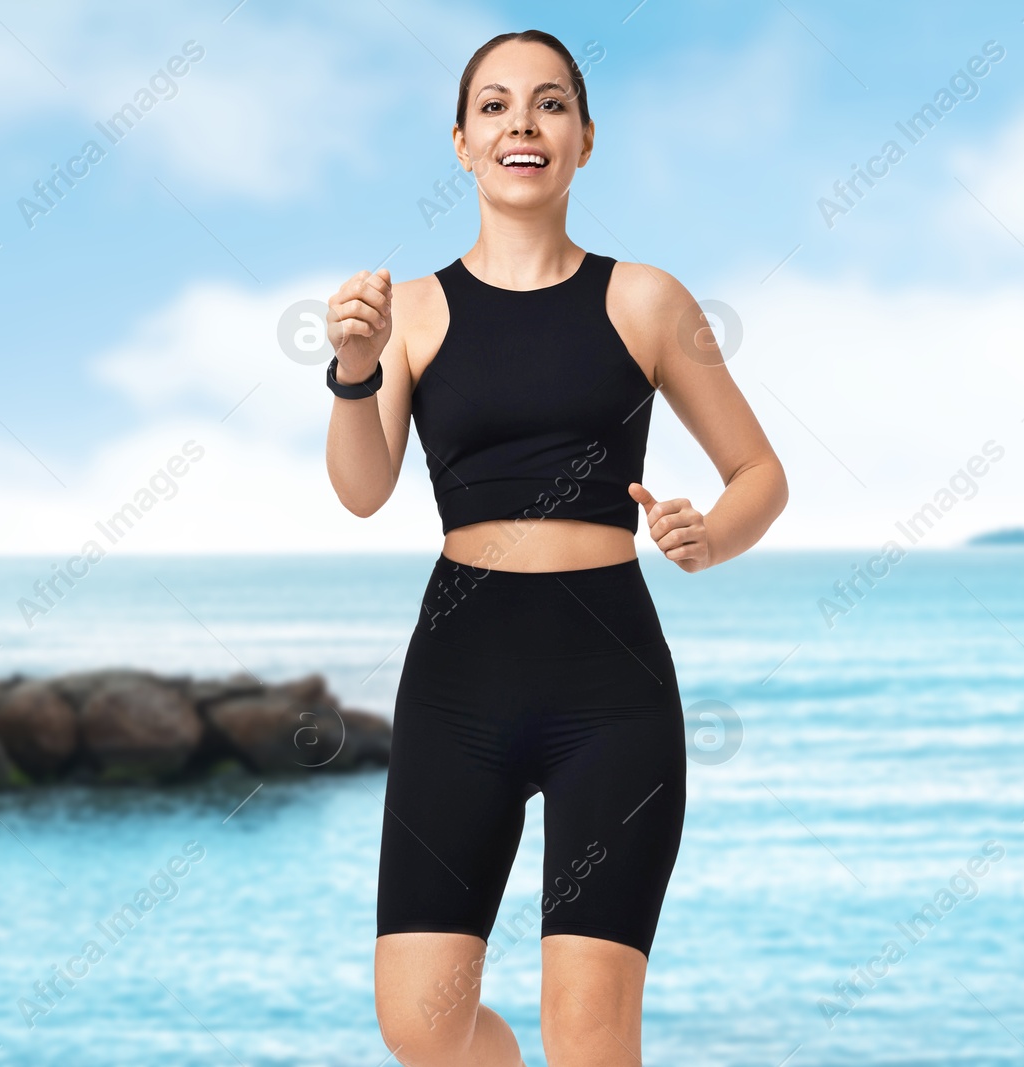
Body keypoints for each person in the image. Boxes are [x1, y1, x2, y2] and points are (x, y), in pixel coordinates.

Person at [323, 28, 788, 1067]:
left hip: (608, 694)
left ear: (583, 139)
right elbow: (360, 489)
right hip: (458, 685)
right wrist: (354, 367)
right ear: (460, 142)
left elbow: (761, 475)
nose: (520, 123)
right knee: (419, 1022)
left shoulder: (647, 300)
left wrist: (709, 534)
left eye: (548, 104)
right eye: (493, 106)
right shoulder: (410, 313)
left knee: (588, 1034)